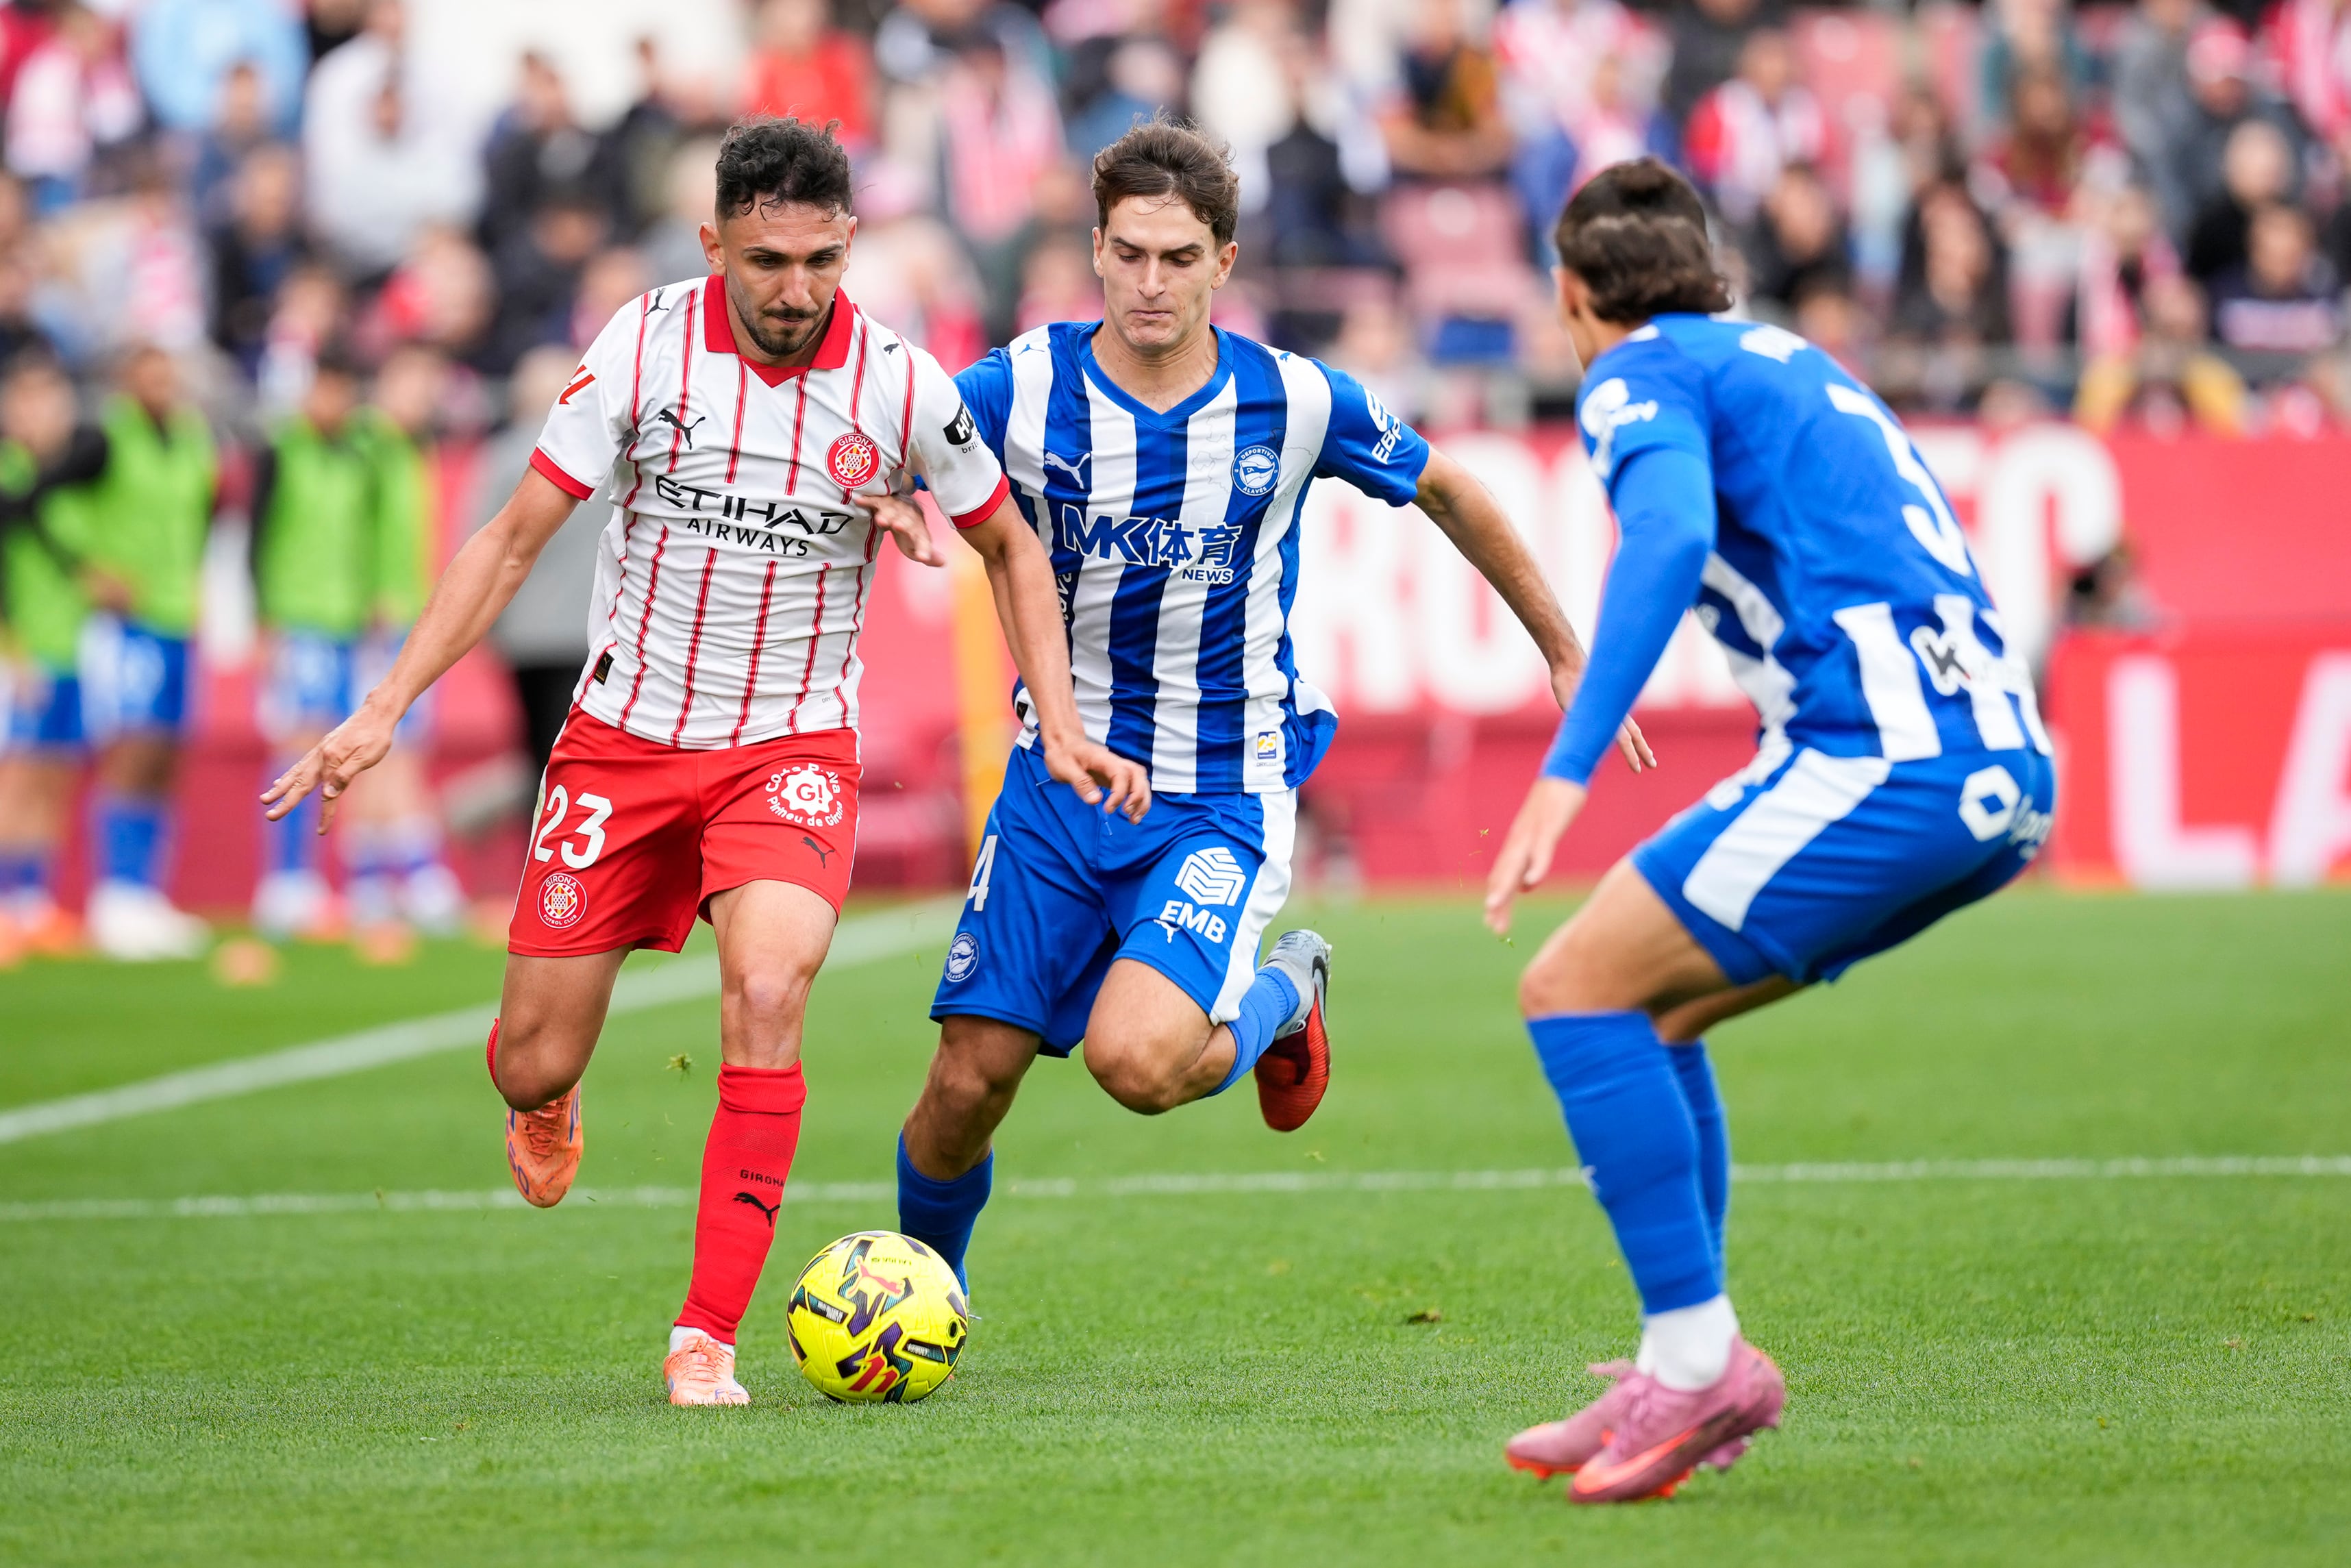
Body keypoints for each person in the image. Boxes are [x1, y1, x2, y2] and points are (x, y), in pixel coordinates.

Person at [259, 119, 1144, 1408]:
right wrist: (386, 701)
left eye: (819, 262)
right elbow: (512, 538)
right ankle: (545, 1101)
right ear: (713, 240)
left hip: (787, 742)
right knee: (530, 1055)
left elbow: (1007, 544)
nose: (794, 290)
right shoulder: (642, 344)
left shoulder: (900, 383)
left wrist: (1057, 723)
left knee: (771, 987)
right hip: (622, 741)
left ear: (850, 245)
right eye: (767, 260)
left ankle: (705, 1333)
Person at [871, 120, 1647, 1297]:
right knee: (965, 1084)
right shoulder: (1021, 385)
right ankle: (921, 1297)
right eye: (1128, 252)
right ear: (1094, 247)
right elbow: (888, 440)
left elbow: (1450, 490)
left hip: (1217, 793)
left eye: (1178, 257)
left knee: (1136, 1062)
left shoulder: (1290, 401)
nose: (1148, 281)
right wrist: (882, 494)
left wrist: (1563, 647)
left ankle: (1288, 992)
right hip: (1055, 787)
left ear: (1223, 263)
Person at [1482, 159, 2056, 1504]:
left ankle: (1700, 1358)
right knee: (1653, 1010)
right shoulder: (1789, 358)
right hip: (1987, 761)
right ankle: (1680, 1353)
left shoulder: (1634, 370)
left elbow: (1671, 536)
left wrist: (1567, 769)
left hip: (1892, 761)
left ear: (1574, 296)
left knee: (1570, 988)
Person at [73, 345, 217, 960]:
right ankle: (115, 893)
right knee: (131, 747)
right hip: (128, 621)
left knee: (166, 751)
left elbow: (207, 514)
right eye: (149, 373)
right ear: (126, 378)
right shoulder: (105, 438)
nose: (161, 384)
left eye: (168, 372)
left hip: (178, 614)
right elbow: (55, 501)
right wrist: (89, 567)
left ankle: (146, 893)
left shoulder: (191, 437)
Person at [249, 345, 376, 939]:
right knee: (296, 741)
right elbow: (254, 535)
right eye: (324, 389)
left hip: (342, 619)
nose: (332, 402)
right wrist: (263, 620)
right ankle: (284, 879)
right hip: (295, 618)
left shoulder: (358, 456)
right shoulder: (280, 451)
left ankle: (313, 879)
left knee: (333, 745)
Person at [0, 351, 106, 958]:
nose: (41, 413)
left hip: (74, 643)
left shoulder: (72, 476)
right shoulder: (9, 474)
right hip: (24, 648)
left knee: (58, 773)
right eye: (29, 399)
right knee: (18, 774)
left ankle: (33, 900)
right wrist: (12, 651)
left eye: (50, 399)